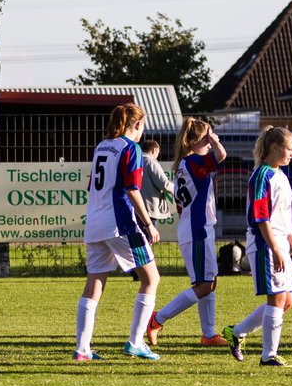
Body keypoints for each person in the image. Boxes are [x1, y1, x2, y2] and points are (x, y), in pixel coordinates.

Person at [73, 103, 161, 362]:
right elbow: (132, 189)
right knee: (151, 279)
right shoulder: (130, 147)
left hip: (95, 224)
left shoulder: (102, 146)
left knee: (94, 285)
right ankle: (135, 342)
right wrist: (148, 224)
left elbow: (94, 185)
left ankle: (82, 349)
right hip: (119, 224)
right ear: (137, 125)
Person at [221, 126, 292, 368]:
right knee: (276, 299)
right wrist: (276, 249)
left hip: (280, 244)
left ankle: (237, 332)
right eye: (290, 149)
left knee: (287, 301)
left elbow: (284, 219)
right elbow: (261, 218)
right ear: (274, 148)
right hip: (264, 244)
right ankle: (269, 355)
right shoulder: (261, 176)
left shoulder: (281, 175)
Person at [145, 118, 227, 347]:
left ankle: (208, 335)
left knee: (210, 282)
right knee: (203, 285)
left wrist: (209, 136)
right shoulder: (192, 163)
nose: (210, 143)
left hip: (199, 228)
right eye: (205, 139)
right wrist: (215, 139)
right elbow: (221, 155)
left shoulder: (187, 163)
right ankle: (157, 319)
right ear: (192, 141)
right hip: (196, 229)